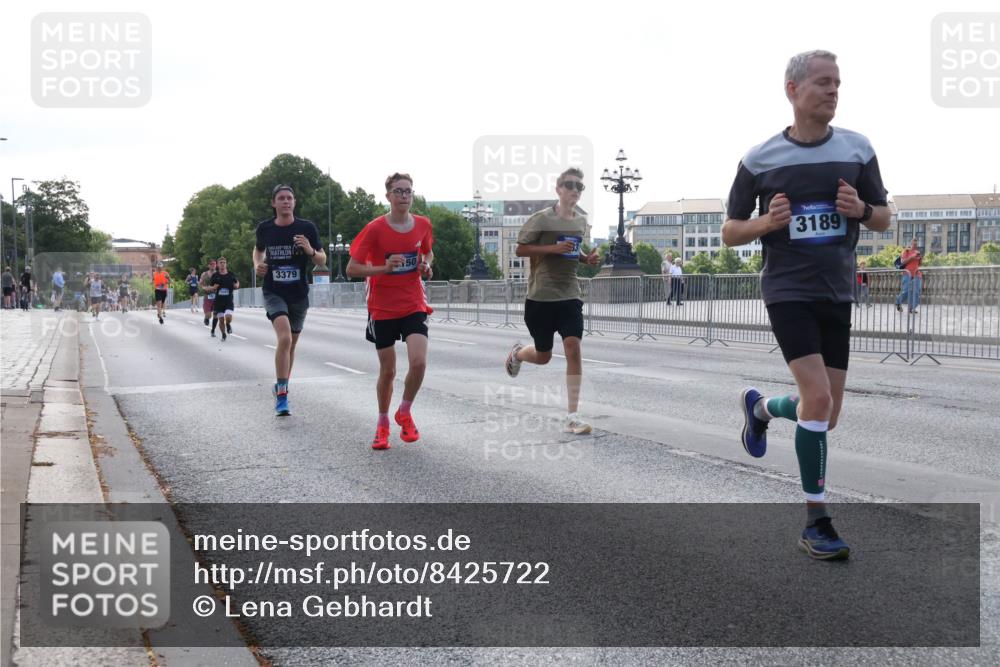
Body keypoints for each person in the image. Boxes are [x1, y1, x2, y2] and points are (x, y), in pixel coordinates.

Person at [721, 50, 890, 560]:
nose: (833, 91)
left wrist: (861, 209)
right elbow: (730, 231)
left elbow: (883, 217)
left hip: (838, 293)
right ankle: (816, 521)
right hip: (788, 292)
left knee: (826, 413)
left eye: (837, 83)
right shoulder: (760, 158)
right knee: (817, 399)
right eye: (822, 83)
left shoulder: (857, 150)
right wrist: (765, 224)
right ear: (793, 90)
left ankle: (760, 407)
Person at [504, 167, 601, 436]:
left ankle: (572, 416)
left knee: (573, 347)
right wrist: (551, 249)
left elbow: (574, 248)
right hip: (541, 296)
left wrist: (586, 259)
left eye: (579, 186)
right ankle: (519, 353)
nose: (574, 190)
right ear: (558, 189)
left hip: (569, 293)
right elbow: (520, 248)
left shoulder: (581, 221)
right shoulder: (542, 219)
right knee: (543, 356)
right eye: (569, 185)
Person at [346, 173, 434, 450]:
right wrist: (383, 268)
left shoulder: (422, 225)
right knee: (388, 371)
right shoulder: (374, 229)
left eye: (408, 191)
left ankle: (404, 411)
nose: (404, 196)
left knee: (418, 363)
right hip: (382, 306)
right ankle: (383, 423)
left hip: (412, 303)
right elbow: (351, 269)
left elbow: (428, 253)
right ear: (388, 196)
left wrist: (426, 266)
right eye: (398, 191)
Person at [253, 185, 325, 416]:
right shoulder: (265, 228)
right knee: (284, 338)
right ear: (274, 203)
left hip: (299, 294)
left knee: (291, 344)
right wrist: (258, 265)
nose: (286, 201)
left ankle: (281, 385)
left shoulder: (306, 228)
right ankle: (283, 394)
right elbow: (257, 251)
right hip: (273, 291)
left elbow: (322, 260)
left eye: (289, 198)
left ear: (294, 202)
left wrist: (310, 250)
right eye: (281, 198)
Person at [208, 257, 239, 341]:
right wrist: (213, 287)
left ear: (226, 264)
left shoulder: (231, 274)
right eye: (221, 262)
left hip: (228, 300)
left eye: (224, 262)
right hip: (218, 302)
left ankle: (228, 324)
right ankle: (223, 334)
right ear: (218, 264)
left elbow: (237, 282)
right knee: (221, 320)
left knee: (228, 317)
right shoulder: (215, 276)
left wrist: (237, 286)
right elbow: (210, 287)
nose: (222, 264)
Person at [895, 238, 923, 314]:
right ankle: (898, 302)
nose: (915, 245)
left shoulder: (918, 252)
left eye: (916, 244)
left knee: (917, 291)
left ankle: (912, 308)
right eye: (914, 244)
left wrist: (920, 259)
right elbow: (903, 262)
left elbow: (919, 264)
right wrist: (912, 257)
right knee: (906, 291)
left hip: (917, 273)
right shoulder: (906, 251)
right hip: (907, 273)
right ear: (911, 244)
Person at [199, 259, 218, 325]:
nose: (213, 265)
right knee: (209, 315)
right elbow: (200, 283)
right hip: (207, 296)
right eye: (211, 264)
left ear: (216, 265)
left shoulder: (218, 274)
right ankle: (206, 318)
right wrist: (204, 287)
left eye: (214, 264)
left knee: (216, 313)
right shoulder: (204, 274)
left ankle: (213, 329)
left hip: (217, 296)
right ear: (208, 265)